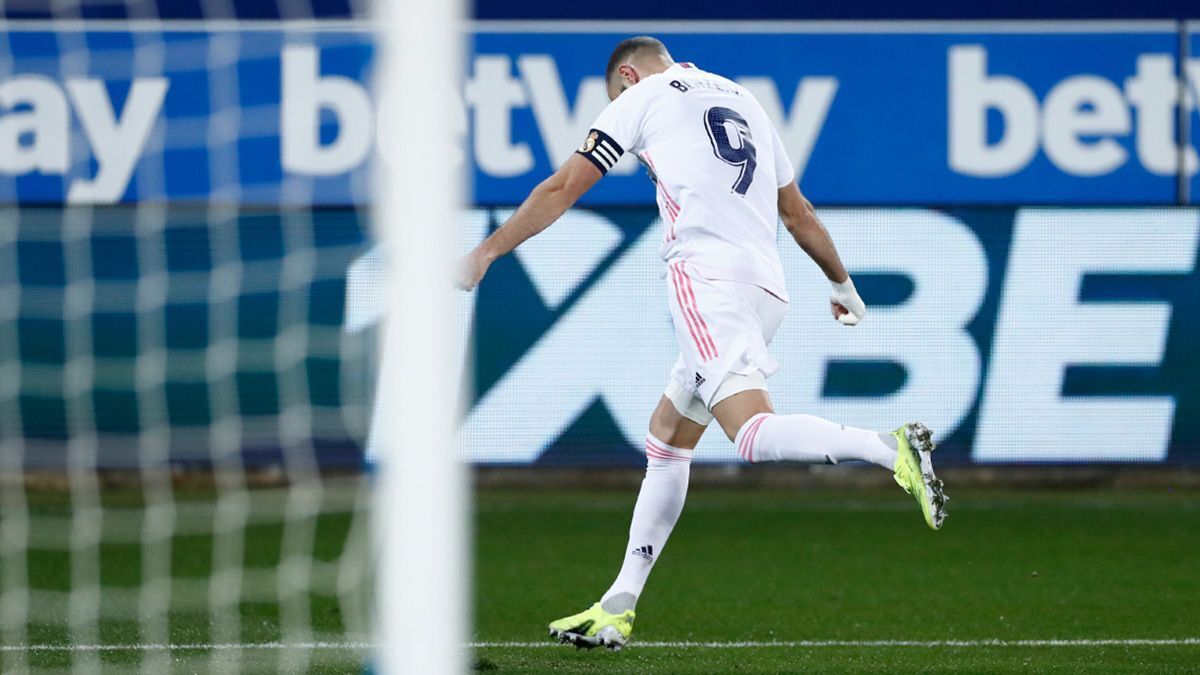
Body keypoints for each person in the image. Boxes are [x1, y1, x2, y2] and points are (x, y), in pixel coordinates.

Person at [456, 36, 947, 651]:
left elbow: (562, 188)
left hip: (705, 280)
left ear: (628, 76)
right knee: (668, 437)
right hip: (767, 289)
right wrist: (843, 284)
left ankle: (887, 447)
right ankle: (617, 605)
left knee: (750, 434)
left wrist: (486, 252)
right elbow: (798, 213)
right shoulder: (745, 100)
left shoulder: (642, 97)